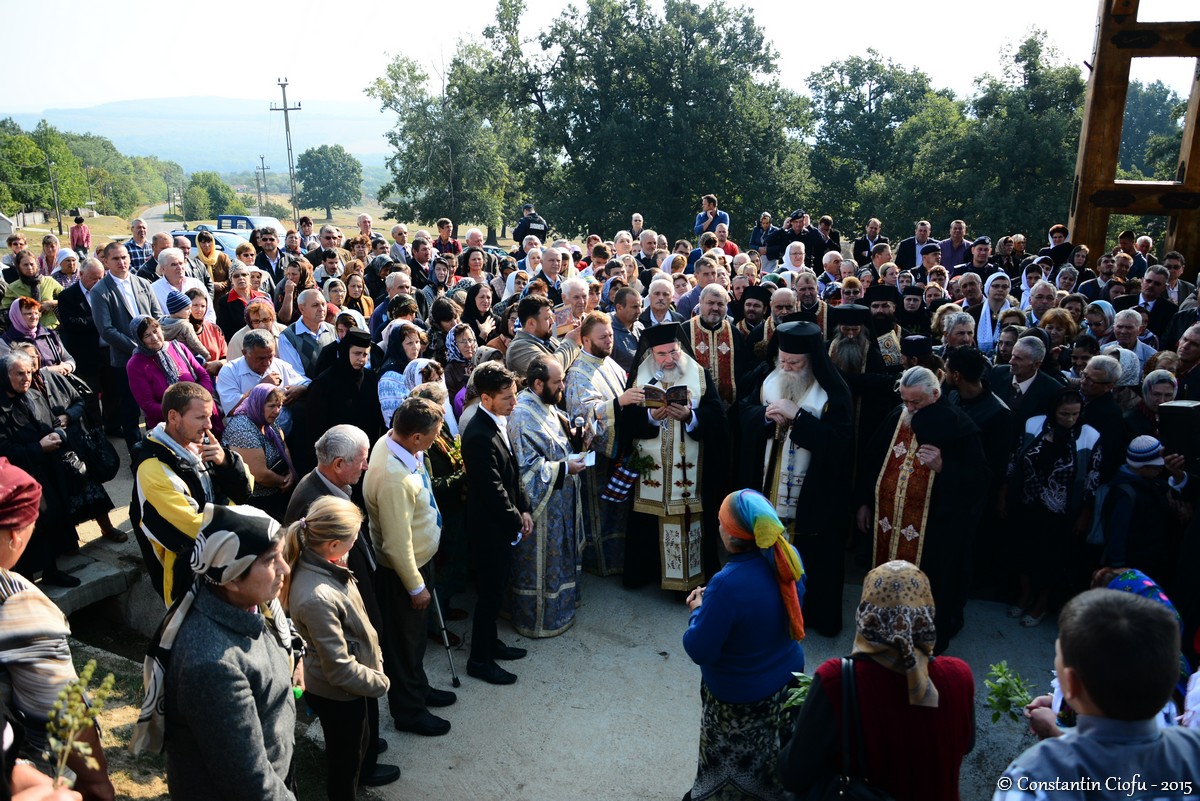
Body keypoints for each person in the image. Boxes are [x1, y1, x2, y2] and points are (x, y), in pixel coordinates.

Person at [133, 504, 299, 800]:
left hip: (278, 771)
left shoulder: (248, 602)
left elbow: (280, 635)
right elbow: (250, 784)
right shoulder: (212, 666)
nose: (285, 568)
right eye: (271, 560)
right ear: (233, 577)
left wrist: (295, 660)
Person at [782, 560, 975, 801]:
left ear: (865, 613)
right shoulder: (959, 675)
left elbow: (793, 774)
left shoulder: (837, 680)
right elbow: (965, 744)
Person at [994, 590, 1200, 801]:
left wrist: (1053, 728)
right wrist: (1058, 703)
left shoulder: (1032, 777)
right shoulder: (1193, 750)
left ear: (1072, 685)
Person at [0, 459, 116, 801]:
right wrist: (96, 782)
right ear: (15, 533)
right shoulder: (17, 603)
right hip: (31, 774)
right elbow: (65, 710)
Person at [681, 489, 805, 801]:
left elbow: (700, 648)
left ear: (732, 535)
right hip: (787, 680)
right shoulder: (787, 556)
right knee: (770, 756)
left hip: (739, 697)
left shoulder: (727, 583)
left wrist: (698, 611)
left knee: (730, 771)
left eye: (721, 522)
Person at [856, 366, 988, 652]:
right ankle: (880, 626)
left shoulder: (959, 425)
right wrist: (865, 502)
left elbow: (978, 480)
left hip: (931, 533)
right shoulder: (898, 417)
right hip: (887, 525)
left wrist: (944, 468)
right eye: (905, 400)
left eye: (916, 402)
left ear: (936, 394)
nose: (909, 407)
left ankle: (920, 638)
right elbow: (871, 461)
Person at [736, 321, 853, 636]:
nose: (786, 368)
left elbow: (840, 444)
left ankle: (807, 613)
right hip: (767, 483)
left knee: (811, 558)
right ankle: (764, 608)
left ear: (812, 361)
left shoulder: (833, 392)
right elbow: (741, 413)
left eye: (794, 363)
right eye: (782, 361)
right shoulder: (768, 380)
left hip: (811, 496)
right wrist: (762, 417)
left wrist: (798, 417)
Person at [283, 496, 399, 797]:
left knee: (354, 750)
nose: (357, 543)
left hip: (347, 689)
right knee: (345, 766)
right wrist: (381, 682)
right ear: (333, 544)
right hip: (339, 694)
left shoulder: (323, 562)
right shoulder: (317, 597)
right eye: (353, 538)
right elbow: (339, 669)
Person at [364, 397, 457, 734]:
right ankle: (409, 712)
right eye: (433, 434)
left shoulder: (395, 442)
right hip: (404, 573)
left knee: (415, 640)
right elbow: (396, 542)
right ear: (415, 437)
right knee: (405, 644)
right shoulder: (393, 479)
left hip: (418, 562)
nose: (436, 439)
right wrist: (415, 586)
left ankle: (419, 689)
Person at [621, 323, 726, 590]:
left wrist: (691, 417)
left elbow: (717, 417)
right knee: (648, 520)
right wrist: (649, 418)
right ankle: (650, 575)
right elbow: (626, 420)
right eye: (661, 354)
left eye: (673, 352)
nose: (669, 359)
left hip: (690, 469)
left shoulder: (699, 375)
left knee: (688, 517)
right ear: (651, 354)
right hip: (650, 467)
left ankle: (688, 582)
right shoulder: (640, 376)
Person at [132, 382, 254, 606]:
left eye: (210, 416)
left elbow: (246, 491)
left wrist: (227, 463)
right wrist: (245, 527)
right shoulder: (152, 469)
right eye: (200, 418)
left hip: (219, 560)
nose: (209, 425)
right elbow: (193, 528)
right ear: (173, 416)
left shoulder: (204, 446)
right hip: (184, 578)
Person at [0, 350, 112, 586]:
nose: (26, 378)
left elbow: (52, 422)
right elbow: (5, 450)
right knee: (29, 530)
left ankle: (52, 570)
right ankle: (25, 582)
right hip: (21, 479)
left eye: (29, 373)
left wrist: (58, 434)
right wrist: (38, 448)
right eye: (19, 374)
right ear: (5, 374)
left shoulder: (33, 396)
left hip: (51, 472)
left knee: (54, 521)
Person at [460, 363, 533, 685]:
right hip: (489, 529)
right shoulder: (477, 434)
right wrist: (517, 520)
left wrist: (526, 509)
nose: (514, 403)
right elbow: (492, 488)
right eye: (507, 398)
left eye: (514, 396)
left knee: (497, 589)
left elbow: (512, 473)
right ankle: (479, 659)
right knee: (489, 595)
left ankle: (491, 643)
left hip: (502, 523)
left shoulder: (497, 421)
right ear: (486, 399)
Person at [1006, 388, 1102, 627]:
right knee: (1023, 552)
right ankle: (1024, 595)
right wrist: (1005, 493)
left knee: (1052, 560)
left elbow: (1092, 478)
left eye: (1075, 414)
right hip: (1028, 505)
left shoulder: (1088, 436)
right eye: (1064, 414)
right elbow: (1015, 459)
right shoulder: (1034, 425)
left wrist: (1084, 514)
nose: (1070, 419)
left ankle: (1041, 604)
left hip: (1062, 514)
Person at [508, 356, 586, 637]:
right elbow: (526, 469)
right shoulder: (522, 415)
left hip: (559, 501)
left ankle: (562, 609)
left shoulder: (544, 404)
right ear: (538, 384)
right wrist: (565, 466)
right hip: (541, 511)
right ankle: (539, 619)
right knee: (545, 565)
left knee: (560, 559)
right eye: (558, 382)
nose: (563, 386)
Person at [564, 312, 641, 576]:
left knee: (618, 509)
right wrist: (620, 403)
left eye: (610, 335)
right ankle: (601, 563)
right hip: (596, 456)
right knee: (600, 512)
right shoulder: (577, 372)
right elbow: (581, 414)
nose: (610, 341)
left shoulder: (609, 362)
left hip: (618, 449)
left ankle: (619, 559)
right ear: (585, 339)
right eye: (603, 337)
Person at [126, 315, 217, 432]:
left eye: (155, 331)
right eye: (147, 335)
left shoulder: (178, 347)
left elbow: (203, 375)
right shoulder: (135, 365)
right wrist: (183, 413)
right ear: (140, 340)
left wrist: (203, 399)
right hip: (168, 427)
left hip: (201, 415)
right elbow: (148, 405)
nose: (154, 337)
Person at [222, 384, 297, 521]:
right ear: (258, 404)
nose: (276, 411)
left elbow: (284, 445)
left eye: (279, 406)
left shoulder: (269, 421)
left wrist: (291, 472)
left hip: (275, 492)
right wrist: (283, 481)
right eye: (271, 406)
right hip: (255, 500)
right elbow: (260, 474)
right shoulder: (242, 429)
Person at [0, 298, 75, 374]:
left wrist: (68, 366)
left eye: (36, 313)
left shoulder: (49, 335)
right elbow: (8, 373)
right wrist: (48, 371)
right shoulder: (6, 341)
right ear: (16, 316)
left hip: (56, 383)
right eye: (29, 314)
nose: (34, 317)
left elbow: (69, 359)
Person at [1, 251, 64, 329]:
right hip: (24, 331)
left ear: (36, 265)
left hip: (50, 329)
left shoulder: (49, 281)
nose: (29, 268)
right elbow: (5, 312)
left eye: (32, 264)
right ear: (18, 267)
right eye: (25, 265)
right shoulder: (13, 288)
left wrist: (52, 303)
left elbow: (68, 298)